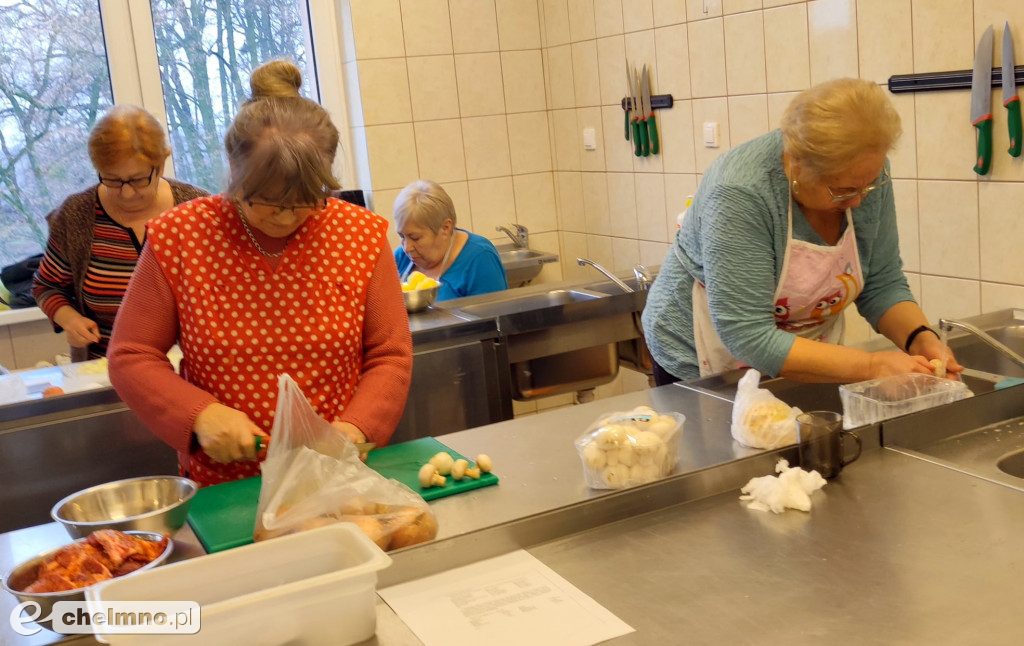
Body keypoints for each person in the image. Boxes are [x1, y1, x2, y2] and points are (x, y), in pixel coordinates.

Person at [107, 60, 413, 487]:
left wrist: (354, 429)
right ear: (235, 171)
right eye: (266, 200)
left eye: (305, 200)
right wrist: (200, 414)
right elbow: (131, 355)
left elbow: (389, 353)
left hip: (336, 476)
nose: (285, 216)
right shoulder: (180, 236)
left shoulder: (360, 234)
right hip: (226, 485)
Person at [641, 77, 961, 386]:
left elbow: (880, 281)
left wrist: (920, 338)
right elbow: (747, 333)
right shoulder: (739, 192)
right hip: (703, 358)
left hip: (799, 349)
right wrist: (871, 366)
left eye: (870, 184)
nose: (859, 200)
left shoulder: (862, 172)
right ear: (797, 167)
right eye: (843, 191)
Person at [32, 105, 208, 361]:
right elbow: (47, 286)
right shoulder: (77, 215)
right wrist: (70, 319)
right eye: (112, 180)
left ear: (161, 164)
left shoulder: (197, 210)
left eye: (138, 180)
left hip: (190, 366)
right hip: (104, 367)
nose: (126, 193)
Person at [393, 179, 508, 300]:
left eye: (415, 238)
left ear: (445, 228)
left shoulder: (480, 259)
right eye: (402, 236)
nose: (407, 247)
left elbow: (493, 311)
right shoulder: (401, 259)